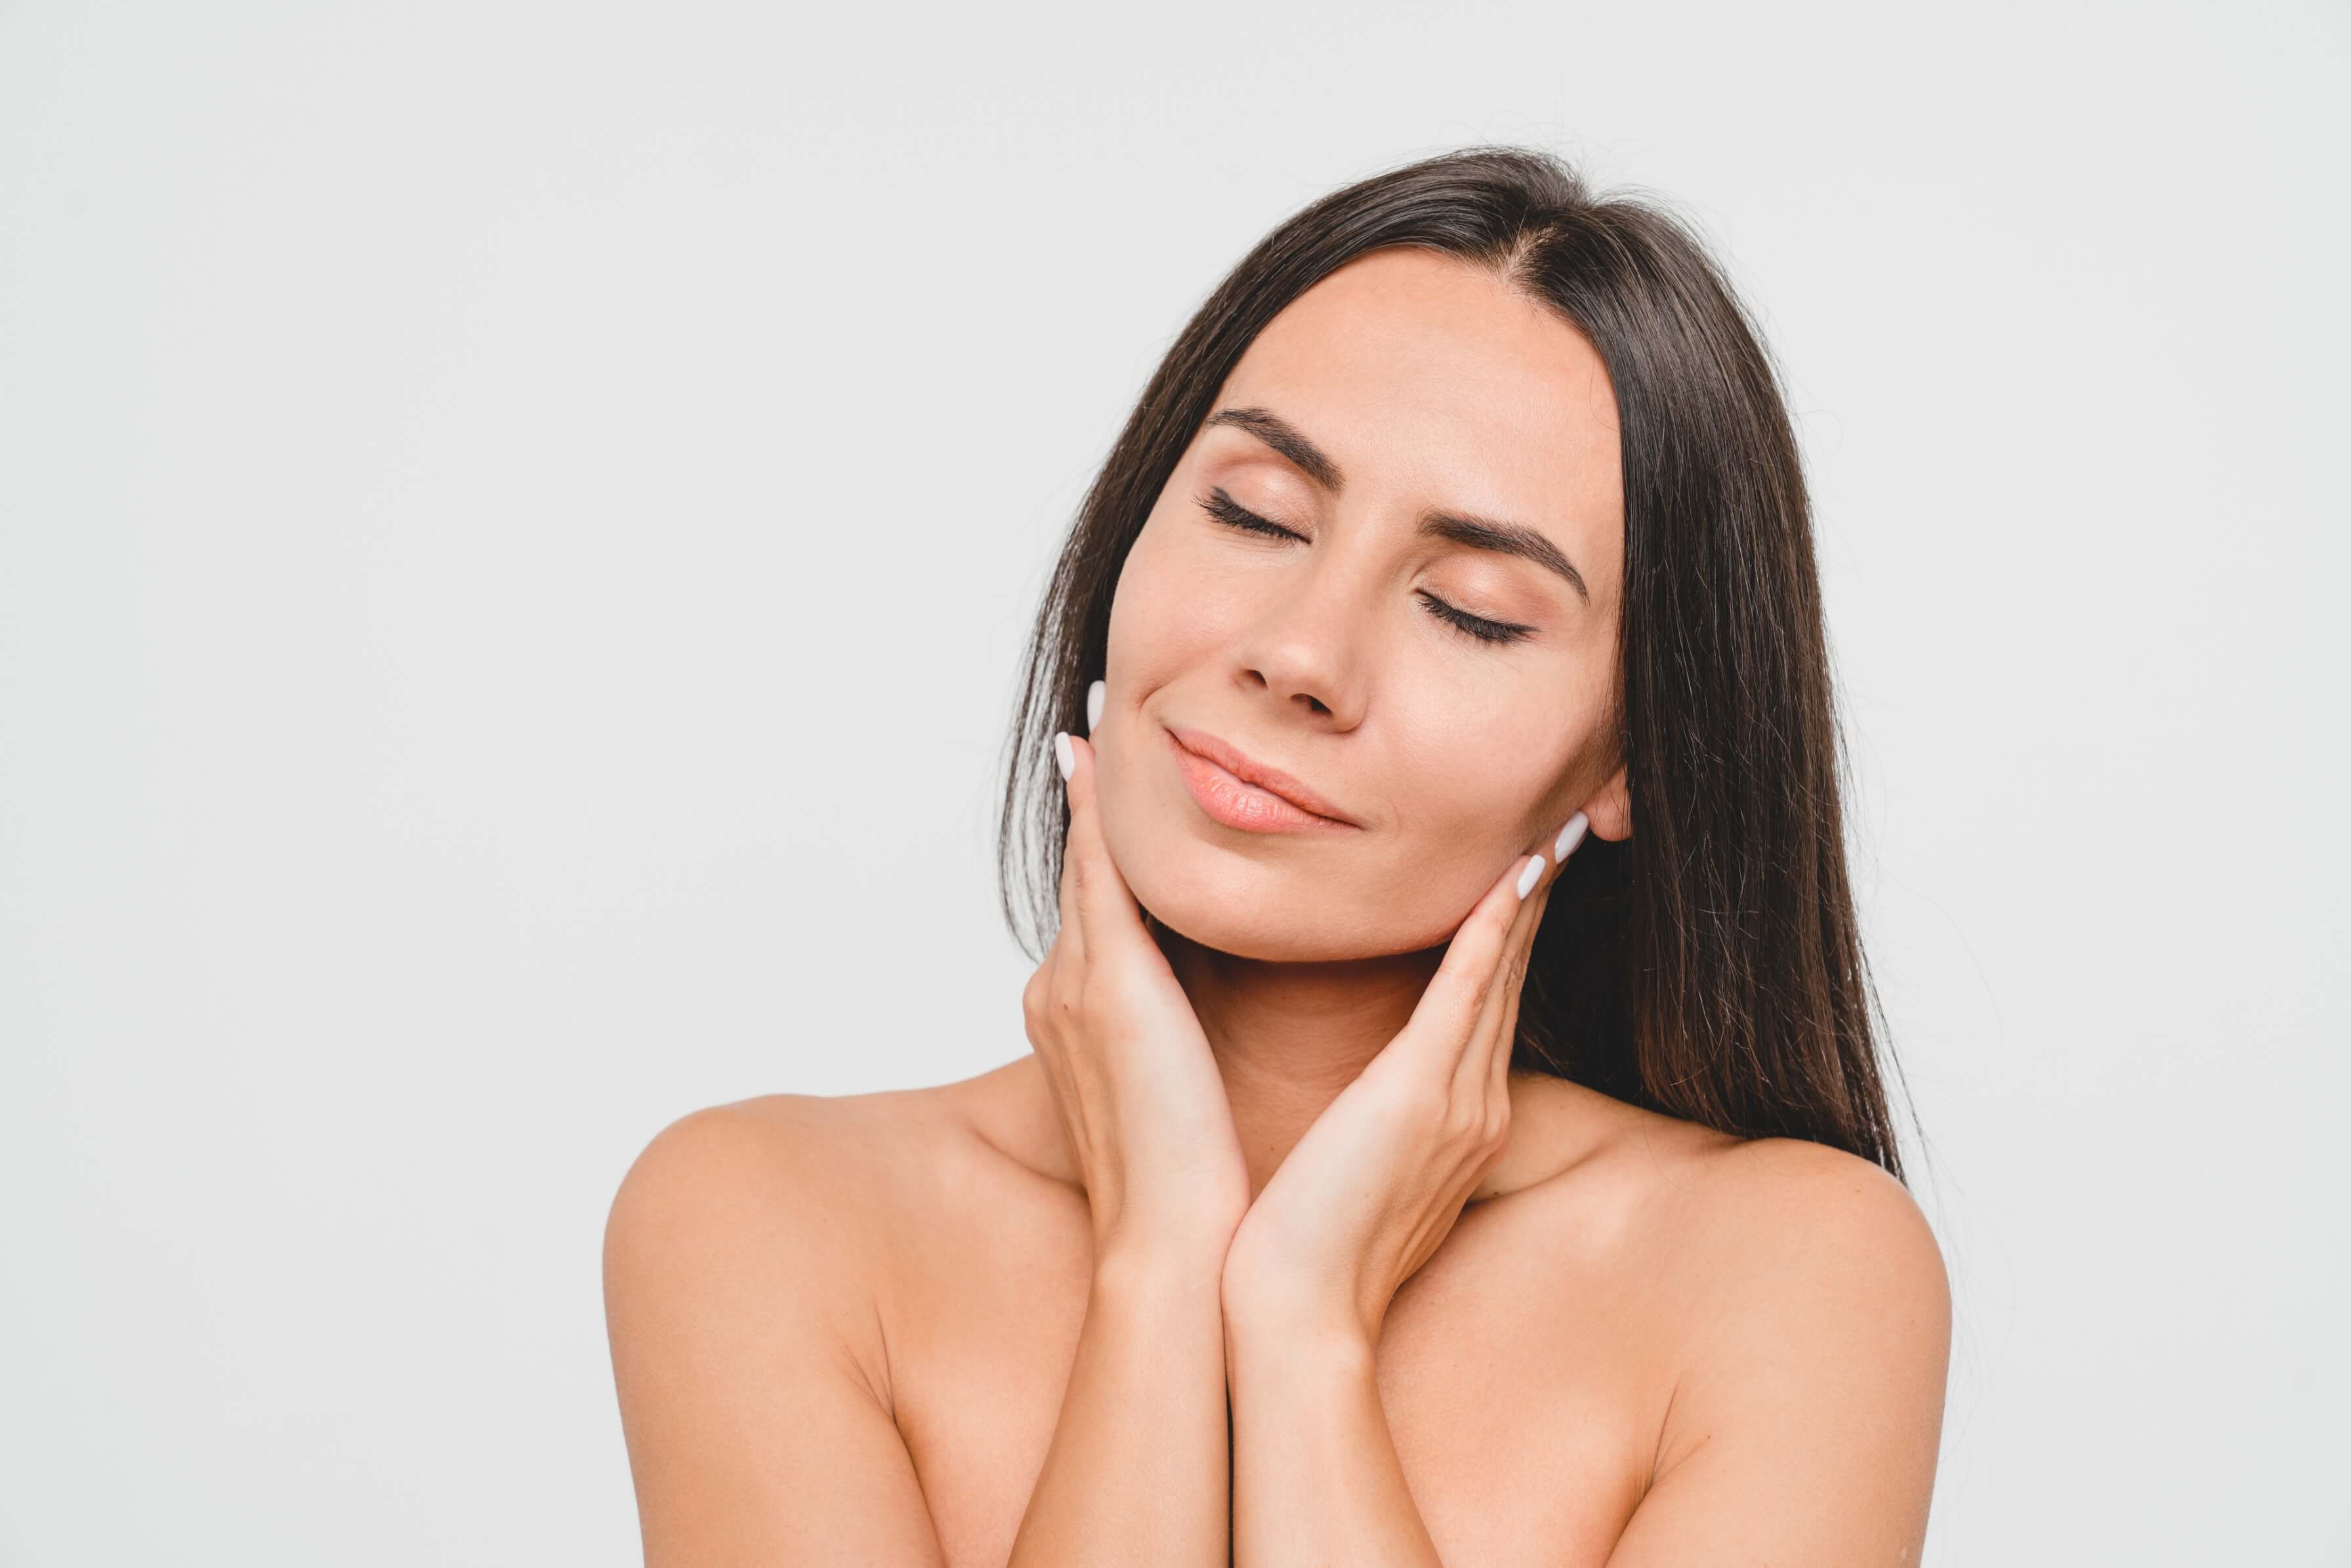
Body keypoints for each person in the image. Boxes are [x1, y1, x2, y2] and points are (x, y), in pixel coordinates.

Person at [602, 144, 1951, 1566]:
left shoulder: (1791, 1276)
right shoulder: (762, 1222)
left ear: (1636, 753)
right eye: (1253, 513)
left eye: (1473, 611)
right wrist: (1158, 1262)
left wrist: (1304, 1325)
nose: (1300, 653)